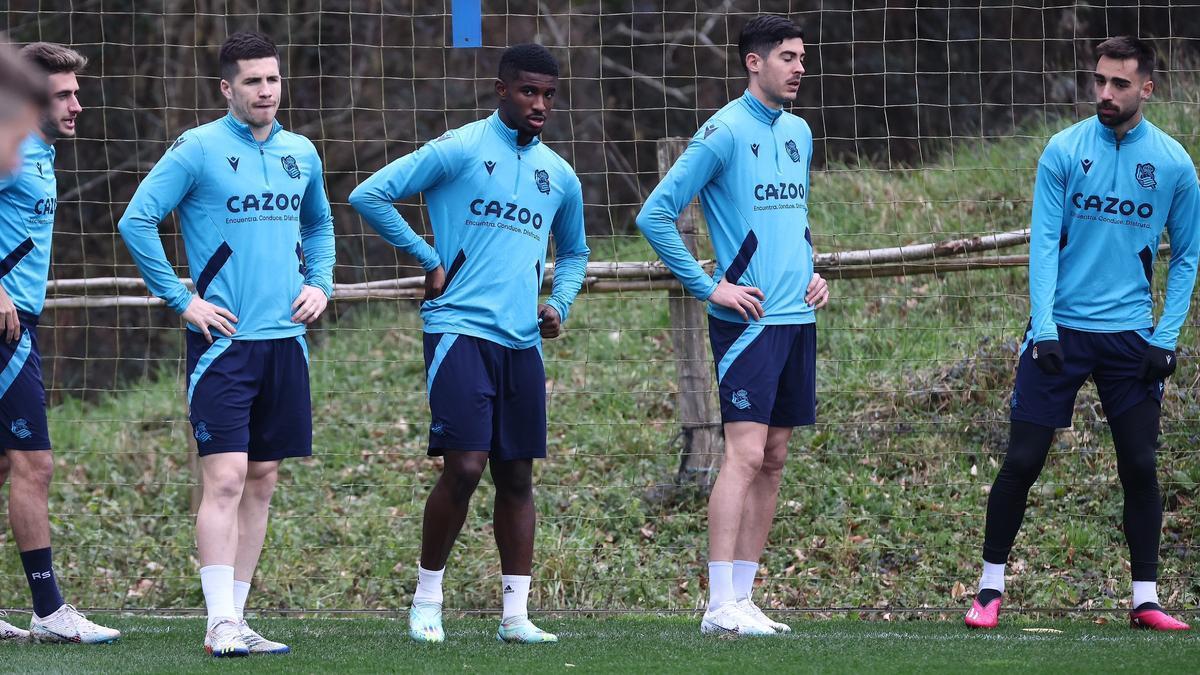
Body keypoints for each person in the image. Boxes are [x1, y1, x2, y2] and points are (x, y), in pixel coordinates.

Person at [349, 43, 589, 645]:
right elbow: (369, 194)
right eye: (529, 92)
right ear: (502, 90)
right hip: (458, 330)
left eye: (549, 95)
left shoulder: (559, 175)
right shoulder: (459, 148)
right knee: (465, 465)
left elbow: (577, 252)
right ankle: (427, 600)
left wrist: (558, 303)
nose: (540, 104)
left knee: (516, 477)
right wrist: (429, 257)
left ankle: (515, 616)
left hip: (521, 345)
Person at [965, 35, 1198, 632]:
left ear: (1147, 88)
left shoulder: (1173, 163)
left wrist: (1165, 337)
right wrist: (1043, 328)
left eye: (1120, 84)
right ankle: (990, 588)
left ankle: (1144, 597)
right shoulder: (1064, 150)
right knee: (1021, 460)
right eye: (1100, 81)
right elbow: (1042, 242)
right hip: (1060, 332)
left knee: (1141, 466)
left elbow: (1188, 257)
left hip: (1130, 340)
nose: (1105, 93)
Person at [117, 31, 335, 656]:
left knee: (263, 478)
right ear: (226, 88)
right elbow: (136, 219)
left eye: (272, 79)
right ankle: (217, 623)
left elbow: (320, 225)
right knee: (227, 479)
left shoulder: (302, 151)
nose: (265, 91)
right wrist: (181, 300)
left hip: (286, 342)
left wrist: (321, 283)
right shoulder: (198, 148)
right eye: (252, 82)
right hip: (224, 343)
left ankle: (237, 618)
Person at [635, 15, 829, 636]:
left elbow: (794, 221)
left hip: (798, 316)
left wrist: (813, 269)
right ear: (754, 62)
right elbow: (655, 214)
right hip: (747, 322)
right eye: (788, 57)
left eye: (802, 57)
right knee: (743, 454)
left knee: (774, 457)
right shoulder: (721, 132)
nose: (800, 67)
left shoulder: (798, 131)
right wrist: (708, 285)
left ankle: (742, 600)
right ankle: (717, 605)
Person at [0, 42, 121, 644]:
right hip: (5, 323)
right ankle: (49, 611)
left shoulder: (43, 152)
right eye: (64, 95)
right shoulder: (10, 146)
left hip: (24, 322)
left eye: (77, 92)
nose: (78, 104)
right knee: (34, 463)